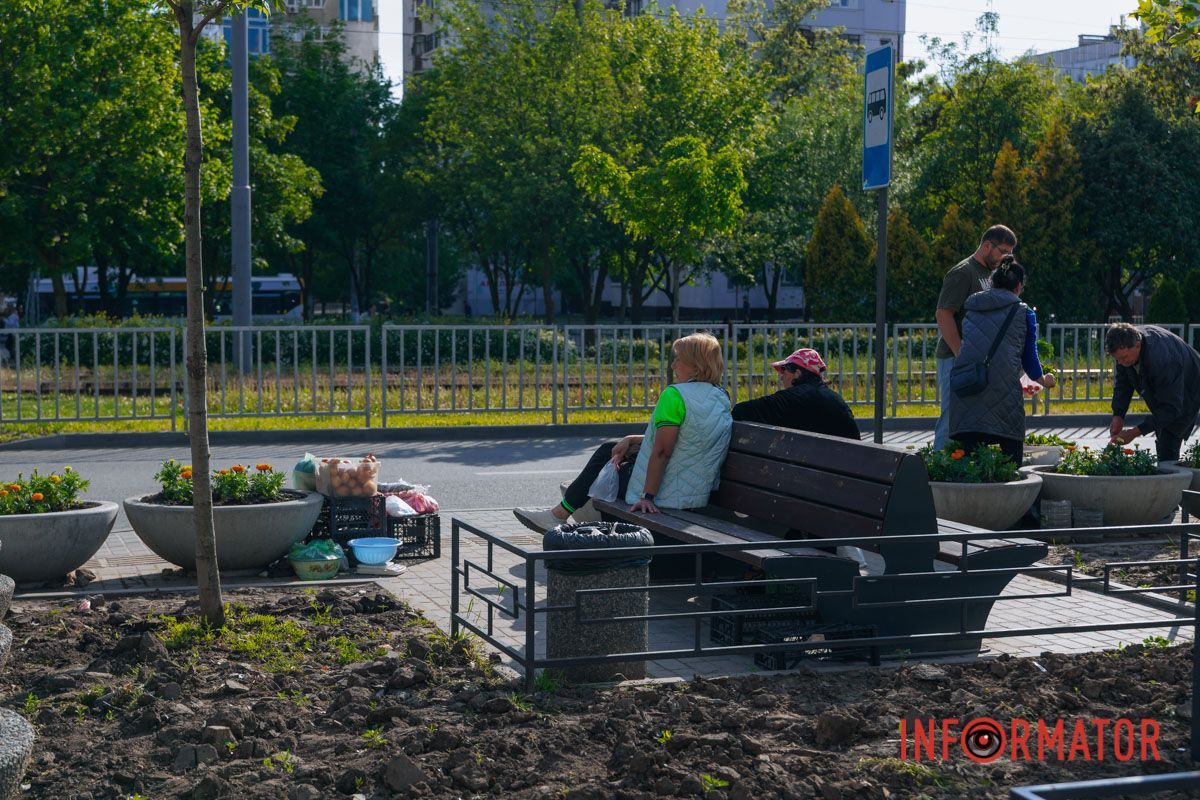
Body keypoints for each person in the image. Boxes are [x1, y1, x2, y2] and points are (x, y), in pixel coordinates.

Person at [513, 331, 733, 532]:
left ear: (695, 365)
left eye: (678, 360)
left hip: (666, 492)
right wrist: (630, 439)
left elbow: (663, 451)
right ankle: (558, 514)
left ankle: (558, 515)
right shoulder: (721, 397)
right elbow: (688, 439)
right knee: (613, 449)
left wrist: (647, 496)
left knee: (606, 454)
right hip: (695, 490)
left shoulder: (674, 395)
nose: (673, 365)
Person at [949, 256, 1055, 464]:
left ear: (993, 282)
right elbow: (1030, 359)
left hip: (968, 388)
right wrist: (1045, 380)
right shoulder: (1023, 312)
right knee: (1010, 461)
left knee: (970, 466)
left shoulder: (971, 307)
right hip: (1003, 393)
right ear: (1017, 286)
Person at [934, 224, 1018, 448]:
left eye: (1010, 254)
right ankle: (939, 473)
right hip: (956, 358)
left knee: (974, 420)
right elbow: (943, 314)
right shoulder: (963, 272)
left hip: (978, 360)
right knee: (952, 416)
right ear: (987, 245)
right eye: (1003, 252)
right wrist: (960, 352)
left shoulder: (991, 274)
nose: (1006, 258)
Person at [1106, 322, 1200, 461]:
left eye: (1123, 358)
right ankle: (1167, 469)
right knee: (1162, 431)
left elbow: (1170, 408)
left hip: (1191, 384)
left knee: (1169, 435)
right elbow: (1123, 384)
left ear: (1138, 345)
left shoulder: (1162, 360)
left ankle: (1172, 477)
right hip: (1170, 381)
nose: (1120, 363)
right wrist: (1118, 415)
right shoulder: (1125, 348)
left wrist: (1134, 432)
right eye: (1117, 359)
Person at [730, 347, 860, 440]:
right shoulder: (835, 399)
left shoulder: (795, 398)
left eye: (784, 371)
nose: (781, 377)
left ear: (797, 373)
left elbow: (740, 411)